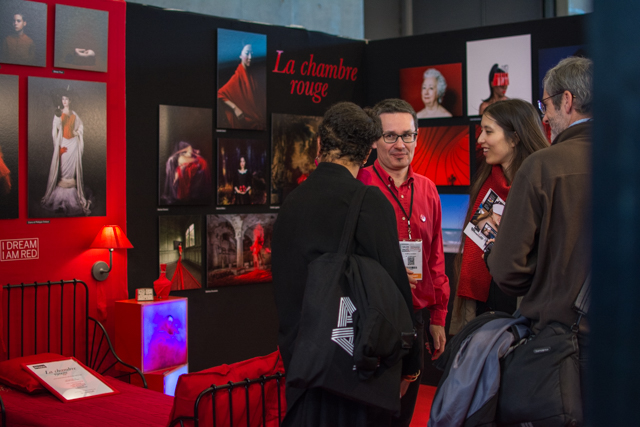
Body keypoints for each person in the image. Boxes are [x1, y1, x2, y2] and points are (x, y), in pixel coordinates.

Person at [272, 102, 420, 427]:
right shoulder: (369, 202)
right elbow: (396, 287)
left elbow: (284, 285)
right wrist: (411, 362)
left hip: (303, 363)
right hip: (353, 371)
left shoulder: (291, 204)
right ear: (368, 153)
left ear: (320, 144)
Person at [487, 57, 592, 405]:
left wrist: (545, 279)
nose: (543, 116)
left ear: (566, 100)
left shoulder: (543, 166)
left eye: (545, 104)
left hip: (561, 346)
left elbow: (506, 269)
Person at [363, 98, 449, 427]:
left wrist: (438, 317)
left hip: (415, 320)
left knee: (404, 415)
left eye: (407, 136)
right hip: (372, 319)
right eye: (390, 136)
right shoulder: (359, 185)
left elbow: (436, 259)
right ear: (373, 139)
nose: (400, 145)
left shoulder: (428, 189)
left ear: (417, 137)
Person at [453, 99, 549, 330]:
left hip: (528, 314)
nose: (480, 140)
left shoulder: (542, 186)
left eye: (488, 131)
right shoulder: (487, 184)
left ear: (515, 138)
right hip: (484, 311)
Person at [41, 90, 91, 216]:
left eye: (66, 99)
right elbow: (55, 130)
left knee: (71, 172)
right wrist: (57, 147)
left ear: (70, 101)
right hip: (64, 143)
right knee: (63, 171)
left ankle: (71, 200)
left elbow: (80, 126)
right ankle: (61, 201)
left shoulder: (74, 114)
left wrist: (76, 133)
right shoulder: (58, 113)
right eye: (63, 99)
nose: (64, 101)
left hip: (73, 144)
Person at [218, 44, 265, 130]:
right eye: (247, 53)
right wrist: (235, 108)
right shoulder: (237, 78)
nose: (250, 57)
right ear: (240, 55)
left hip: (258, 121)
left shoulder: (253, 76)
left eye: (252, 54)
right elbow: (220, 93)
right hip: (245, 122)